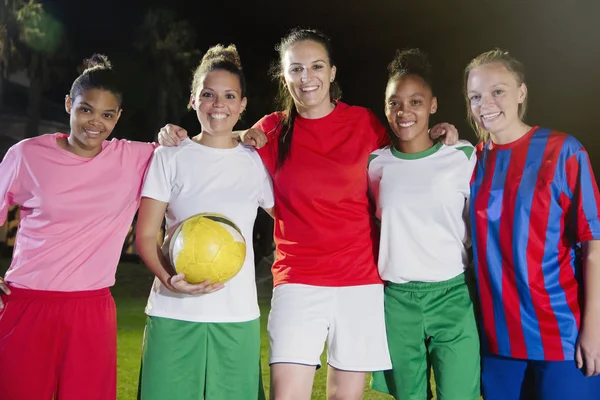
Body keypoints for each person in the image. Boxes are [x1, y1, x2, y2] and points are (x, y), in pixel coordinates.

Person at [158, 28, 459, 399]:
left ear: (332, 72)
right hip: (297, 281)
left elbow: (408, 152)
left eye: (316, 66)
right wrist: (177, 137)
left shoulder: (365, 124)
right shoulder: (270, 129)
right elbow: (219, 138)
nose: (307, 77)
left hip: (360, 283)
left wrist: (442, 133)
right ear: (284, 76)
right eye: (296, 69)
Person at [0, 55, 174, 400]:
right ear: (69, 104)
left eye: (107, 115)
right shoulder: (26, 155)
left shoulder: (136, 158)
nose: (95, 122)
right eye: (86, 110)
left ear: (118, 117)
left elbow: (205, 148)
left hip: (91, 311)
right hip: (26, 304)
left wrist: (255, 133)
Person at [135, 44, 273, 400]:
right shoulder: (169, 156)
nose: (218, 104)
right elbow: (147, 234)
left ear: (243, 105)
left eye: (229, 96)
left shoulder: (255, 162)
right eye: (208, 95)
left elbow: (294, 218)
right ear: (193, 99)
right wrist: (170, 280)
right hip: (173, 312)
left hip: (236, 315)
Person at [466, 48, 600, 400]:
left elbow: (593, 248)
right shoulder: (471, 161)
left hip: (562, 335)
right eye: (475, 96)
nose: (486, 103)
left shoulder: (564, 151)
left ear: (521, 93)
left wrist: (594, 329)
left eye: (498, 91)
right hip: (497, 340)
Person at [368, 48, 480, 400]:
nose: (404, 111)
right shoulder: (374, 165)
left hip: (453, 295)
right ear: (385, 108)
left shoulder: (461, 155)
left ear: (433, 105)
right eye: (395, 103)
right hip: (398, 300)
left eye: (416, 101)